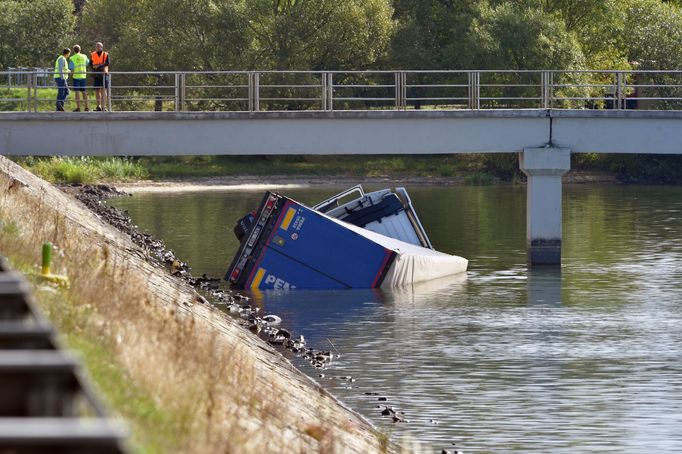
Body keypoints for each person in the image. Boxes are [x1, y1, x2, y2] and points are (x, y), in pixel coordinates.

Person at [90, 42, 110, 111]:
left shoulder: (106, 54)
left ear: (102, 47)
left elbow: (107, 63)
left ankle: (103, 106)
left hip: (104, 74)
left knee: (104, 90)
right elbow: (91, 64)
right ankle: (98, 106)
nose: (98, 47)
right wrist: (94, 67)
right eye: (97, 46)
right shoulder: (92, 54)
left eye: (99, 46)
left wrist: (99, 65)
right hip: (96, 74)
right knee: (97, 90)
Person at [69, 45, 90, 112]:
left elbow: (71, 68)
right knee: (84, 92)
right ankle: (86, 107)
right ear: (80, 49)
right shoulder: (84, 56)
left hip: (76, 76)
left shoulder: (72, 58)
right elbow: (87, 63)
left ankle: (78, 108)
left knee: (77, 92)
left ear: (74, 51)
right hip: (83, 76)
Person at [54, 47, 70, 111]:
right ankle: (59, 105)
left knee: (66, 91)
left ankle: (60, 105)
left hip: (62, 77)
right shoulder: (61, 58)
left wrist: (69, 71)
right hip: (60, 77)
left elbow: (64, 69)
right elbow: (60, 69)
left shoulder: (63, 58)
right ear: (68, 53)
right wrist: (62, 77)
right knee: (61, 92)